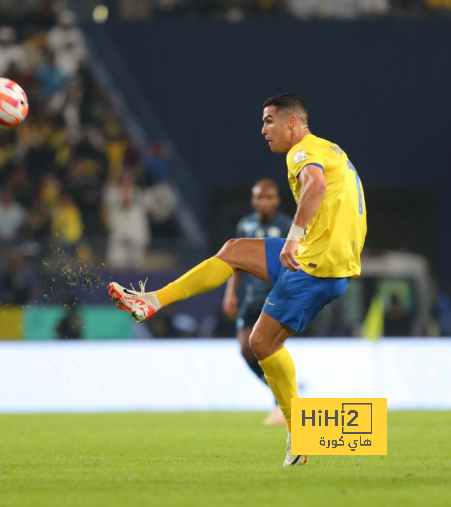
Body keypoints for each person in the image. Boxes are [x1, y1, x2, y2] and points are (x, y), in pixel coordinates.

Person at [107, 94, 367, 467]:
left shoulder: (301, 154)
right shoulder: (330, 149)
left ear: (293, 123)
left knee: (261, 341)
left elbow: (317, 186)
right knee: (232, 249)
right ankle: (152, 301)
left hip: (316, 265)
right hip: (322, 256)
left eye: (269, 121)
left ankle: (300, 434)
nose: (263, 130)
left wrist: (293, 238)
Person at [223, 179, 292, 426]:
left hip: (275, 296)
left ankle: (282, 403)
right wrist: (230, 293)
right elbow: (237, 261)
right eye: (259, 198)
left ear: (277, 200)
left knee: (268, 347)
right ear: (253, 200)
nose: (264, 202)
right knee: (245, 348)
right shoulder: (246, 225)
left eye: (268, 197)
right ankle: (279, 394)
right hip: (252, 296)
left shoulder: (286, 225)